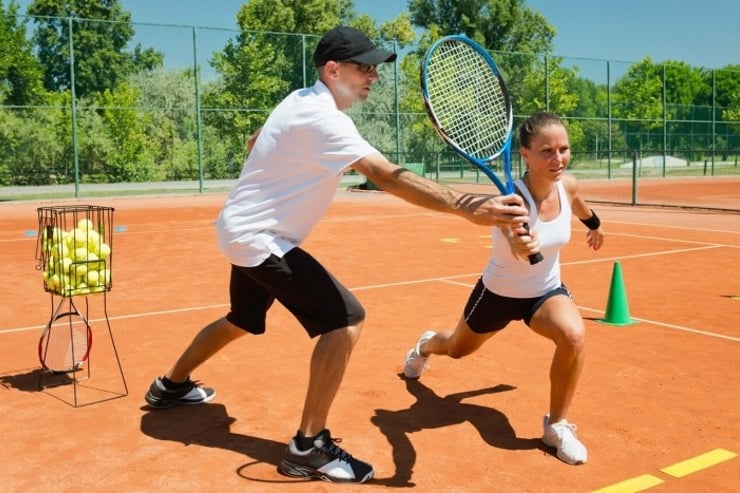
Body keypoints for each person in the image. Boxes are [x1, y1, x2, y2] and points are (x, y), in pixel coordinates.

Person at [144, 26, 532, 484]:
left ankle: (170, 386)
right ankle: (307, 447)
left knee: (242, 319)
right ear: (333, 69)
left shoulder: (298, 100)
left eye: (375, 68)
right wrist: (470, 208)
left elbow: (255, 141)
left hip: (242, 229)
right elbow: (386, 176)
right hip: (259, 237)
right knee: (345, 320)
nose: (373, 75)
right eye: (363, 67)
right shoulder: (325, 119)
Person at [402, 112, 605, 466]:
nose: (558, 159)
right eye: (547, 151)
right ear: (525, 155)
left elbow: (579, 205)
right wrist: (522, 244)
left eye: (564, 149)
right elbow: (514, 241)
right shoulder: (511, 199)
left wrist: (595, 225)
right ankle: (426, 344)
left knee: (574, 336)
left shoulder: (567, 184)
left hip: (544, 293)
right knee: (457, 348)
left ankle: (556, 425)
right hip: (497, 294)